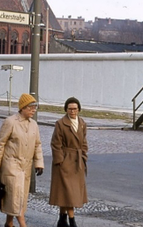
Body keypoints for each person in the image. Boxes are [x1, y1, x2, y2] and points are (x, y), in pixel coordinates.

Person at [0, 93, 44, 227]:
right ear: (23, 108)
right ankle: (23, 224)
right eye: (31, 107)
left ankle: (9, 223)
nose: (33, 110)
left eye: (35, 108)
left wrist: (39, 163)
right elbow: (0, 143)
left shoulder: (34, 125)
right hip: (11, 164)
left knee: (18, 197)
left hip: (26, 167)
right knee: (16, 196)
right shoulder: (10, 122)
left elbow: (37, 145)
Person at [49, 97, 88, 227]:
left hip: (77, 163)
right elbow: (55, 144)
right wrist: (60, 161)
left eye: (75, 109)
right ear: (66, 109)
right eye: (70, 109)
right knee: (68, 192)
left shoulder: (82, 123)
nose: (72, 111)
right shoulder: (60, 123)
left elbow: (84, 143)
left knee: (66, 192)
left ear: (79, 109)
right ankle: (72, 221)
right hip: (65, 161)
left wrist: (83, 157)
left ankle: (62, 219)